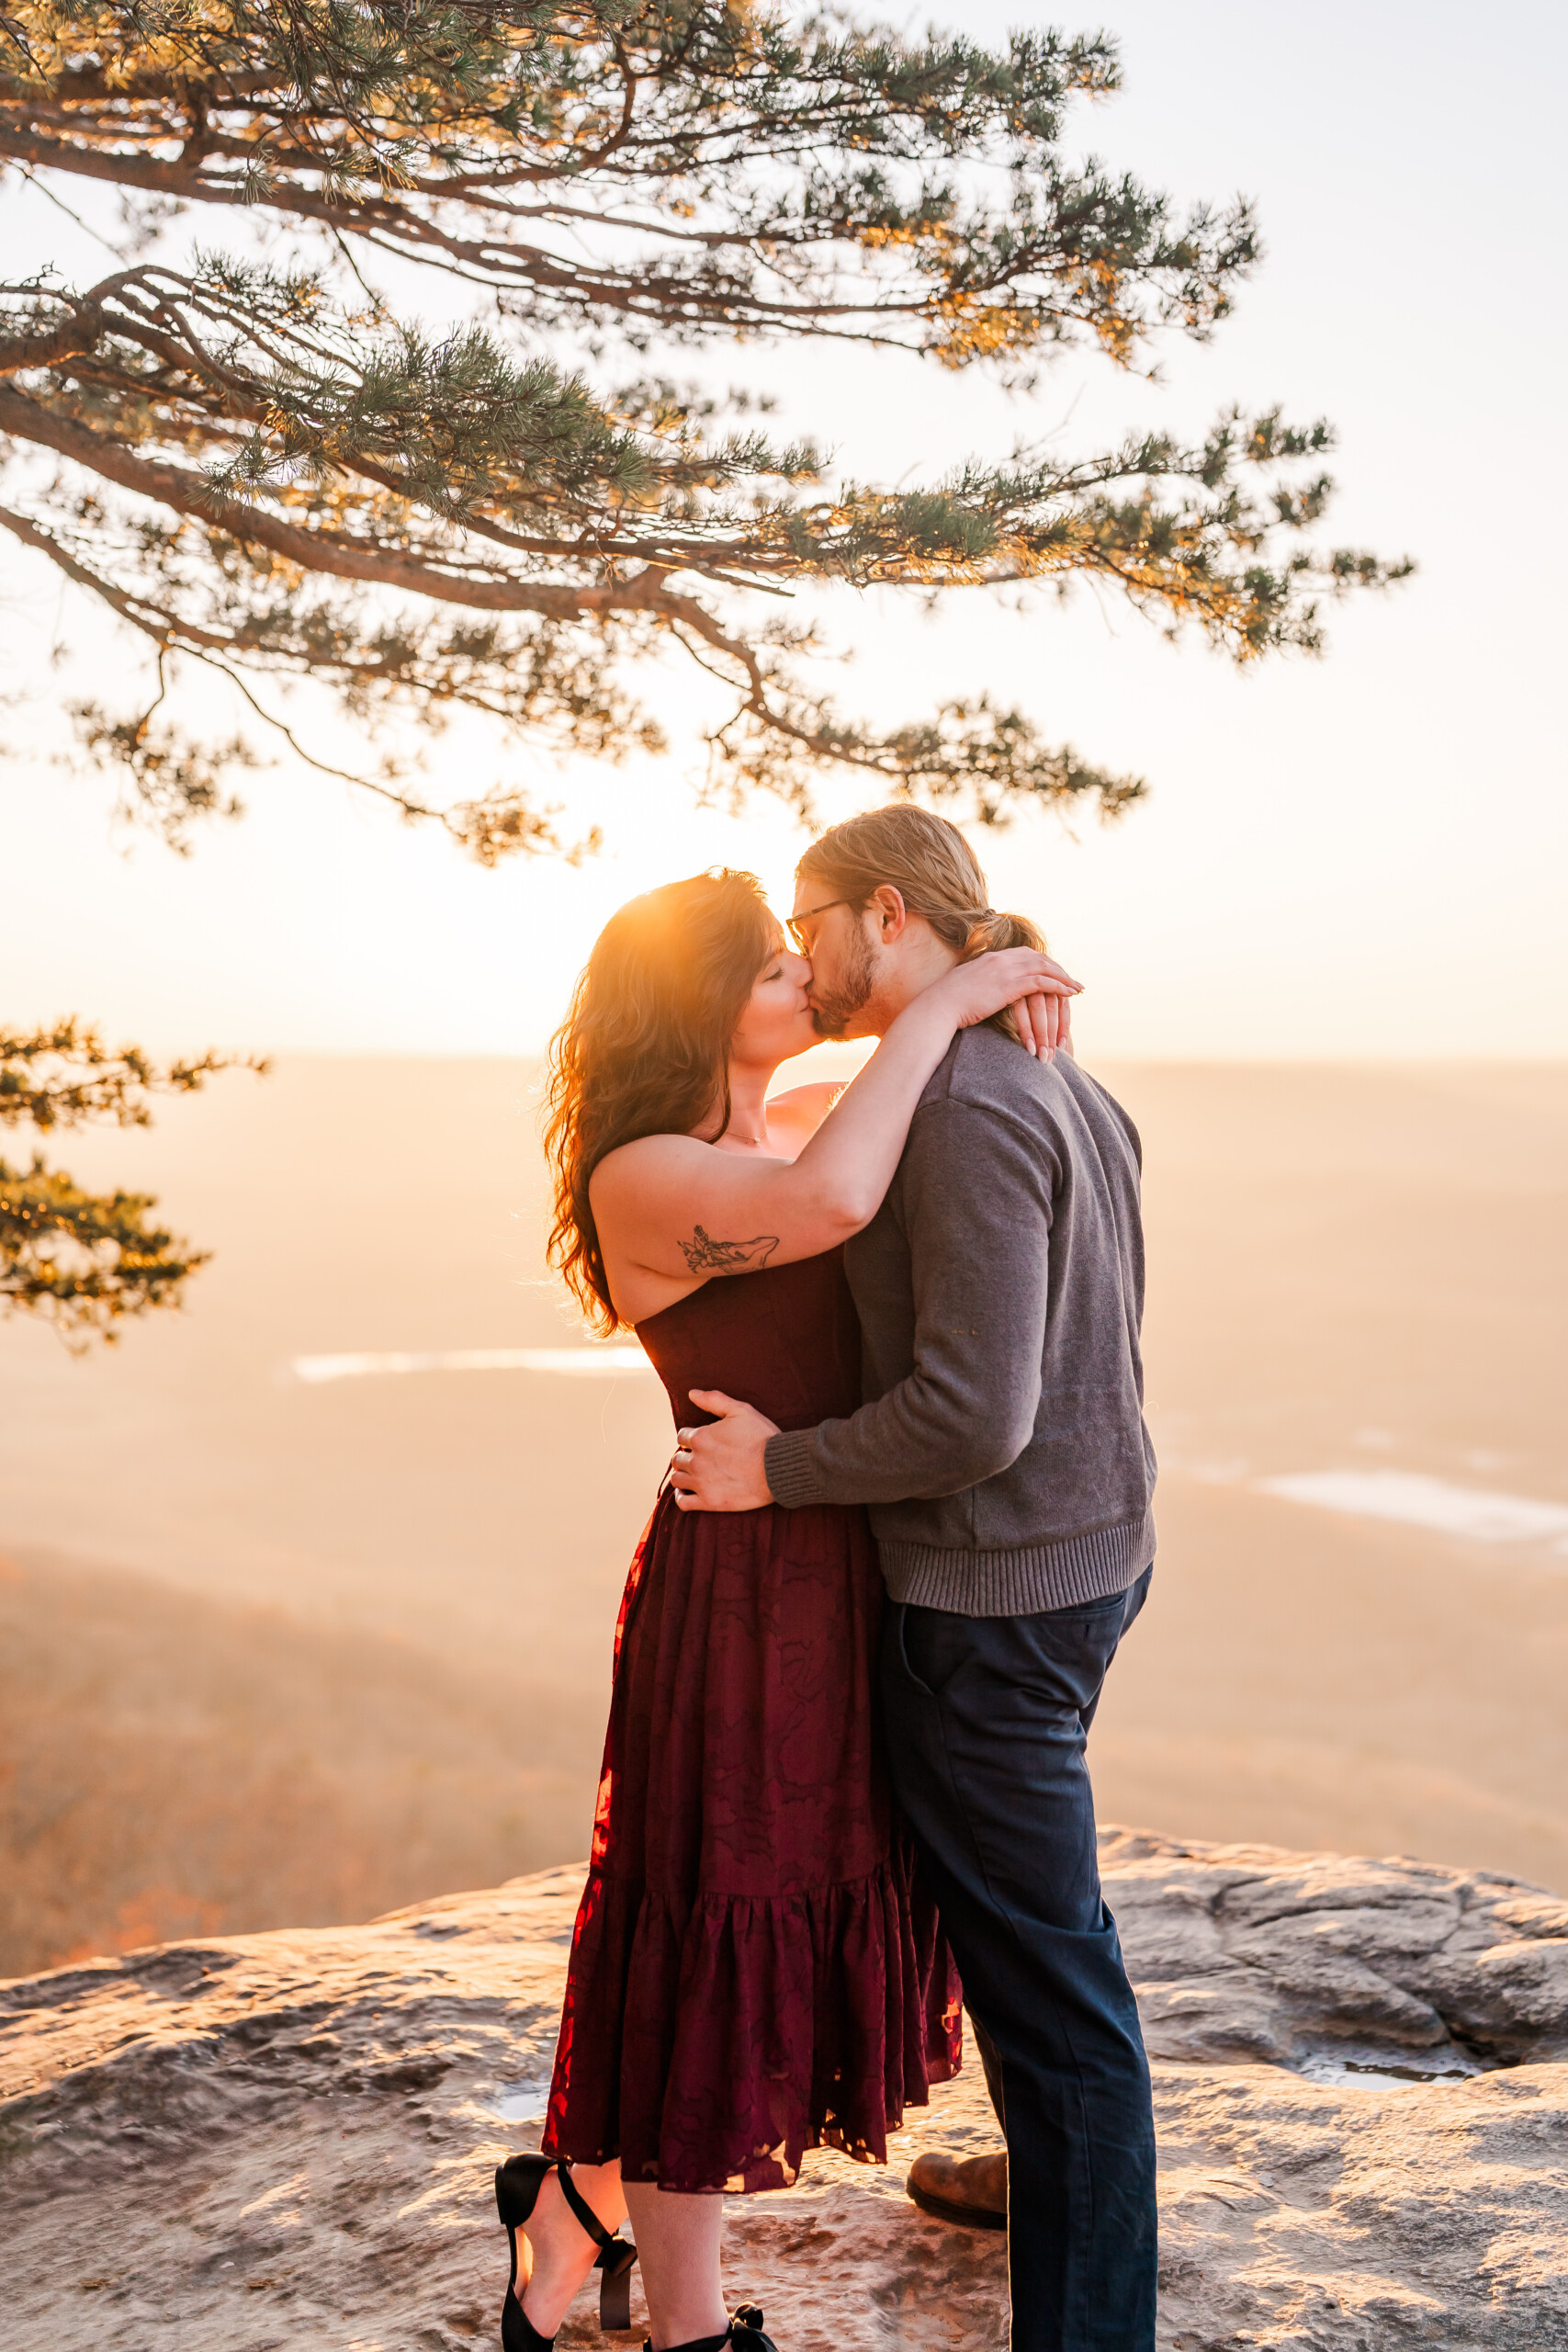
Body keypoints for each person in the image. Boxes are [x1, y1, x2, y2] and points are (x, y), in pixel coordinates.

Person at [494, 866, 1081, 2352]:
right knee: (712, 1927)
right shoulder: (646, 1172)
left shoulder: (784, 1123)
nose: (802, 985)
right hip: (737, 1594)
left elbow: (867, 1128)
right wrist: (953, 991)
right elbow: (833, 1201)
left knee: (787, 1905)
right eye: (769, 969)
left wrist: (1004, 962)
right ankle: (686, 2327)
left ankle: (572, 2207)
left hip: (831, 1570)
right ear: (697, 1006)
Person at [672, 807, 1160, 2352]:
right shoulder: (1055, 1077)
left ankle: (1087, 2314)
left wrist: (781, 1469)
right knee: (1031, 1935)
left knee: (1059, 1991)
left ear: (883, 912)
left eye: (811, 925)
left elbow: (974, 1413)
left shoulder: (962, 1108)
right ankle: (1046, 2179)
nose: (801, 963)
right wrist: (979, 978)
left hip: (997, 1601)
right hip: (1084, 1559)